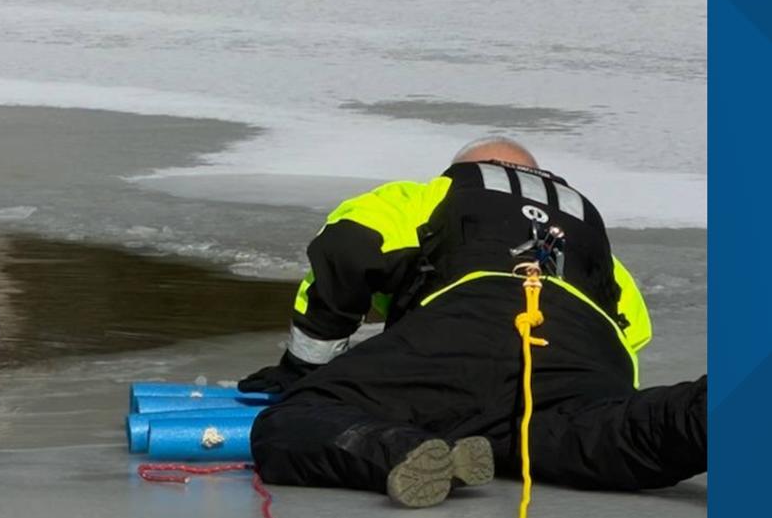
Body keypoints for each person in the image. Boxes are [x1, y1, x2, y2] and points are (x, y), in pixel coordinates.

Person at [238, 137, 706, 507]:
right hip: (578, 360)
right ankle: (714, 411)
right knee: (628, 434)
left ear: (468, 167)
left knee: (290, 423)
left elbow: (348, 246)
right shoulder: (593, 233)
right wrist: (597, 399)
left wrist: (305, 369)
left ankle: (401, 448)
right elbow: (631, 332)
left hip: (463, 329)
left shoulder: (438, 192)